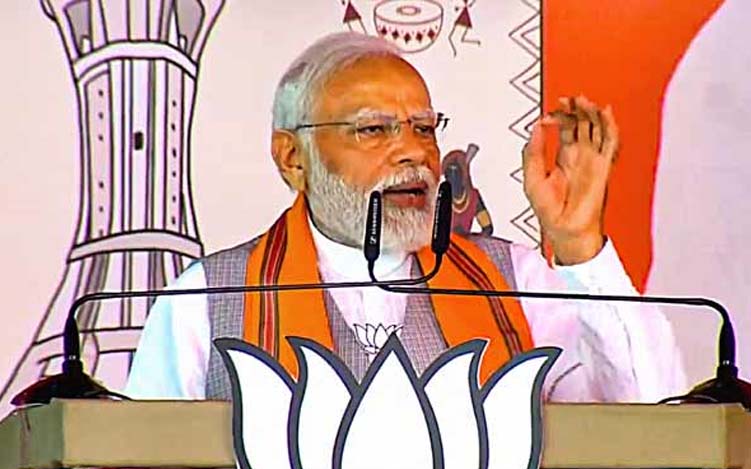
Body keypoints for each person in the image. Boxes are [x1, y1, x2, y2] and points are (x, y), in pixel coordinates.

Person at [126, 32, 686, 403]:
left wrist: (579, 243)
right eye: (373, 130)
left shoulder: (513, 280)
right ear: (293, 158)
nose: (414, 152)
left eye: (423, 128)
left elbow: (649, 415)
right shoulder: (206, 300)